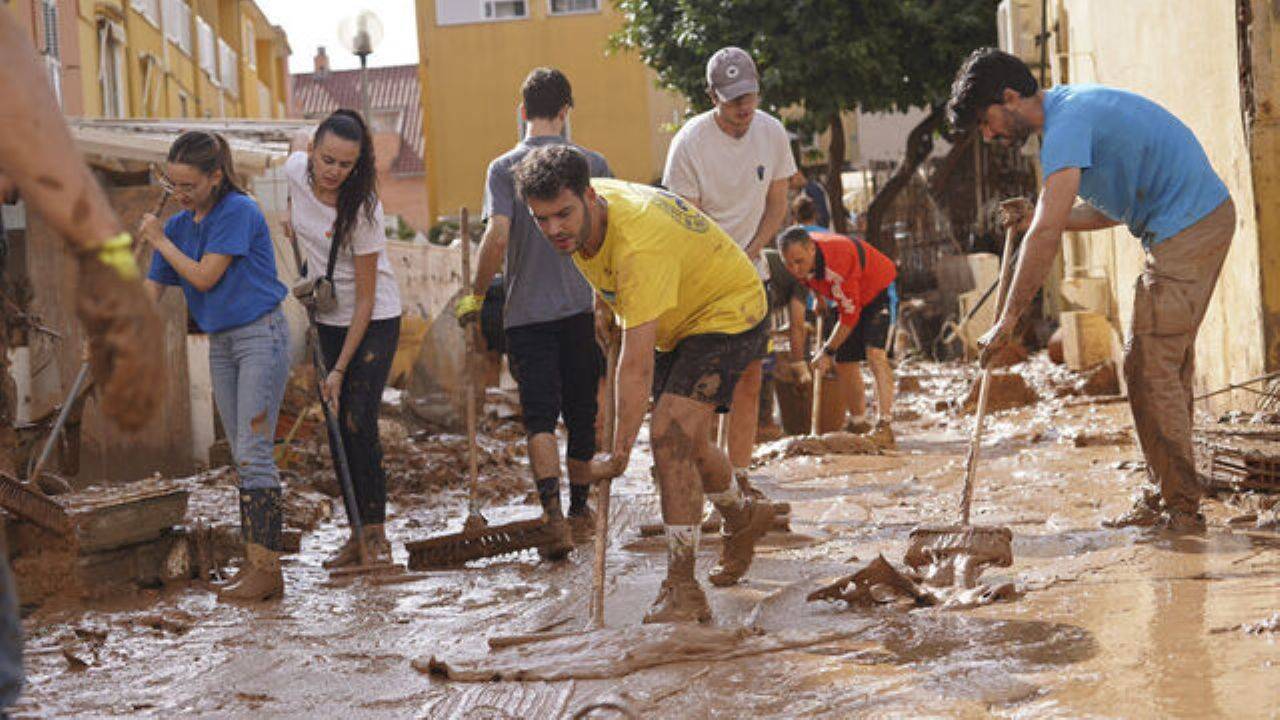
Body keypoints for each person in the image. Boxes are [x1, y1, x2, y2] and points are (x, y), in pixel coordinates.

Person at [949, 48, 1234, 534]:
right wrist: (1039, 213)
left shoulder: (1067, 124)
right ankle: (1168, 492)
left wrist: (1009, 318)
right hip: (1189, 222)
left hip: (1189, 226)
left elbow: (1045, 236)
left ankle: (1182, 509)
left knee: (1147, 362)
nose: (989, 134)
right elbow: (1109, 210)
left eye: (985, 120)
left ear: (1010, 97)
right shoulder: (1069, 117)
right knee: (1160, 365)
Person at [515, 145, 777, 623]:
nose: (554, 229)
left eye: (563, 215)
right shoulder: (588, 215)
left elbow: (634, 368)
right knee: (690, 442)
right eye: (542, 219)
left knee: (668, 434)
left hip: (729, 308)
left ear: (589, 197)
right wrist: (605, 302)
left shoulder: (640, 247)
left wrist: (617, 453)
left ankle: (682, 585)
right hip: (676, 307)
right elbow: (604, 265)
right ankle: (741, 517)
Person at [455, 68, 612, 556]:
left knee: (540, 417)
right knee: (583, 416)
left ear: (521, 111)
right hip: (585, 309)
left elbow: (497, 236)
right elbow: (613, 231)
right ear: (566, 111)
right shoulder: (592, 163)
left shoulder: (502, 168)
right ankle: (581, 509)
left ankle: (551, 517)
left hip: (526, 315)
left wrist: (475, 297)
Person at [139, 132, 291, 601]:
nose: (180, 194)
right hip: (222, 342)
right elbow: (151, 296)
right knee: (241, 451)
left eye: (189, 185)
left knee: (254, 450)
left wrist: (159, 241)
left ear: (216, 176)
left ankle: (268, 572)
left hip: (259, 336)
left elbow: (204, 275)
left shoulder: (238, 212)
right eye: (174, 184)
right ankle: (256, 564)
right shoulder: (183, 225)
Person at [662, 46, 797, 493]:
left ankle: (738, 476)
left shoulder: (772, 133)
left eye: (749, 97)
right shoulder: (689, 144)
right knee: (703, 386)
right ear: (711, 95)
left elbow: (778, 203)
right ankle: (700, 476)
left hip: (750, 270)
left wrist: (753, 250)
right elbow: (686, 223)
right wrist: (722, 263)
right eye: (733, 99)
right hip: (702, 279)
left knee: (749, 379)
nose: (743, 109)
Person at [286, 110, 403, 565]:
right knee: (336, 428)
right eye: (327, 159)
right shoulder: (297, 169)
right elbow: (292, 142)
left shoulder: (365, 210)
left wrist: (337, 370)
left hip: (372, 320)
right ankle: (355, 535)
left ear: (359, 165)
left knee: (358, 419)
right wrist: (290, 216)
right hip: (327, 318)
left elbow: (367, 299)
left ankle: (375, 536)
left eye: (346, 164)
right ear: (313, 151)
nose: (334, 171)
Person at [778, 226, 898, 446]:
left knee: (875, 355)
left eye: (799, 262)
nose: (794, 269)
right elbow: (807, 277)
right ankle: (858, 422)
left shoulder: (838, 264)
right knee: (844, 362)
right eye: (789, 264)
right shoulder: (802, 261)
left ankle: (884, 425)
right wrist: (819, 298)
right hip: (846, 293)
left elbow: (849, 319)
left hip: (876, 287)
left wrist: (826, 351)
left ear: (812, 250)